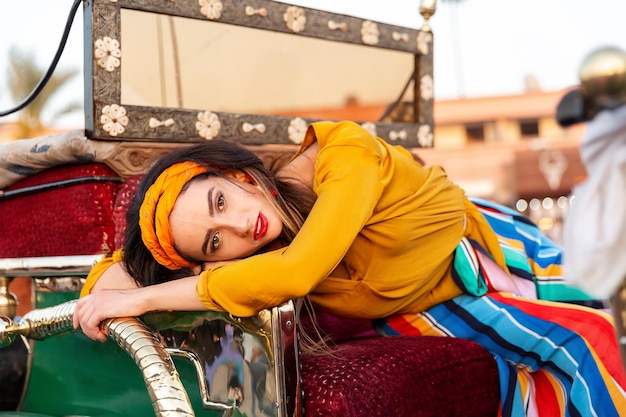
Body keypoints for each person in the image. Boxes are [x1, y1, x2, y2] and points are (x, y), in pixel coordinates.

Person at [73, 120, 626, 416]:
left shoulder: (344, 151)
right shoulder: (257, 262)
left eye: (220, 202)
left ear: (239, 176)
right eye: (214, 243)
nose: (240, 227)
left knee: (597, 314)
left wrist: (141, 300)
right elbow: (111, 275)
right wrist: (120, 288)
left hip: (487, 247)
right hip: (431, 305)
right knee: (586, 339)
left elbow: (297, 274)